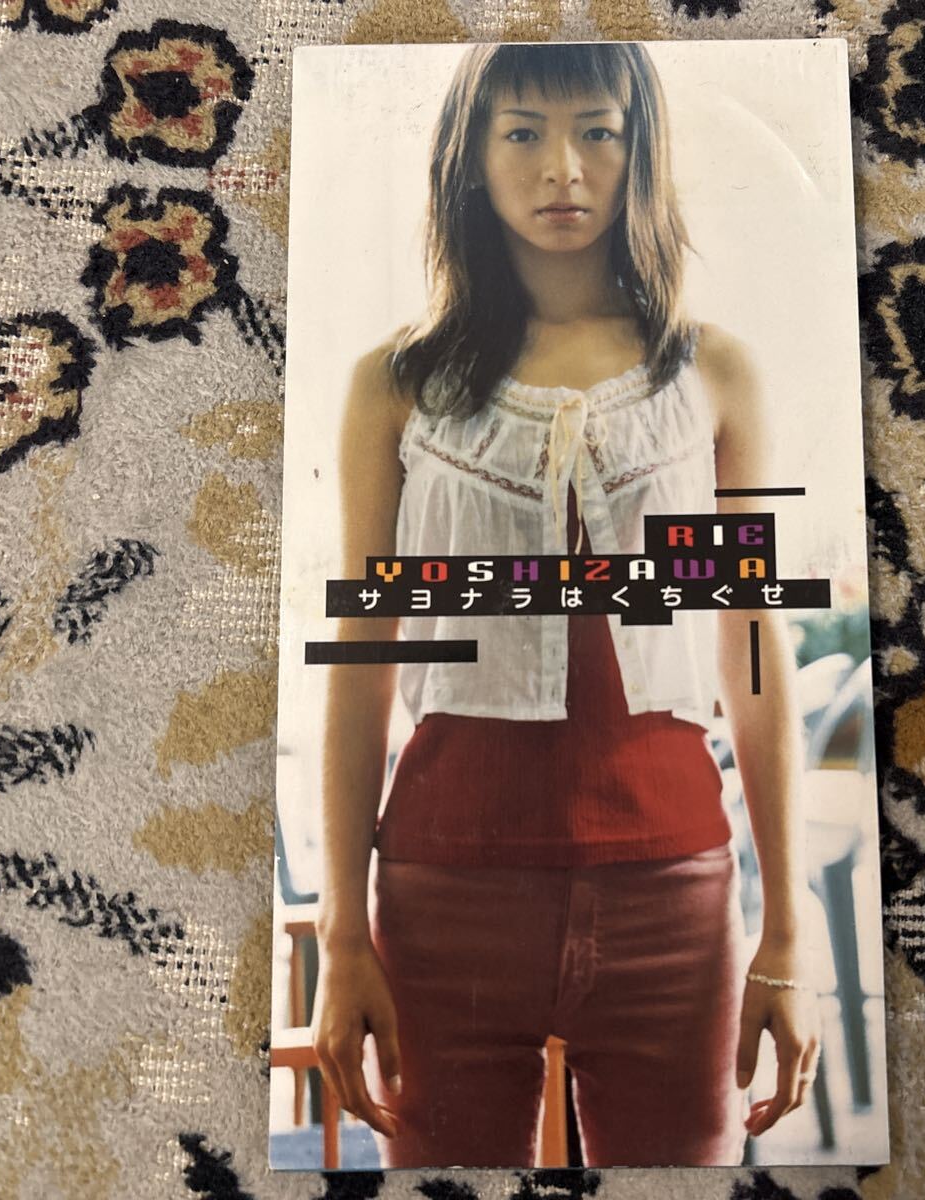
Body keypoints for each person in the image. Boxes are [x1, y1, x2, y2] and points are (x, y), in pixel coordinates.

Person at [310, 41, 819, 1169]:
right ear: (471, 156)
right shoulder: (395, 386)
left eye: (597, 131)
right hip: (441, 900)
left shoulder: (715, 375)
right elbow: (360, 660)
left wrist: (788, 934)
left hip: (675, 900)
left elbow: (751, 650)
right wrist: (344, 933)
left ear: (641, 151)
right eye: (523, 133)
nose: (563, 170)